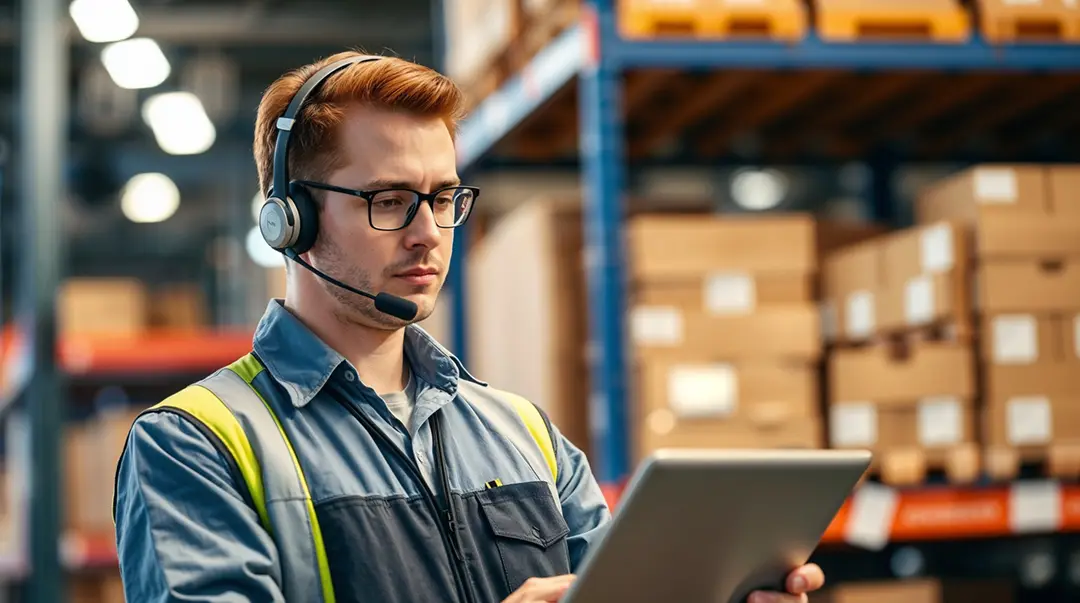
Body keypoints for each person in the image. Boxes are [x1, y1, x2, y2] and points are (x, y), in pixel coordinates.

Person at [112, 51, 827, 603]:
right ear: (288, 219)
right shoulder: (195, 445)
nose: (429, 233)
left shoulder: (524, 433)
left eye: (445, 197)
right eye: (390, 200)